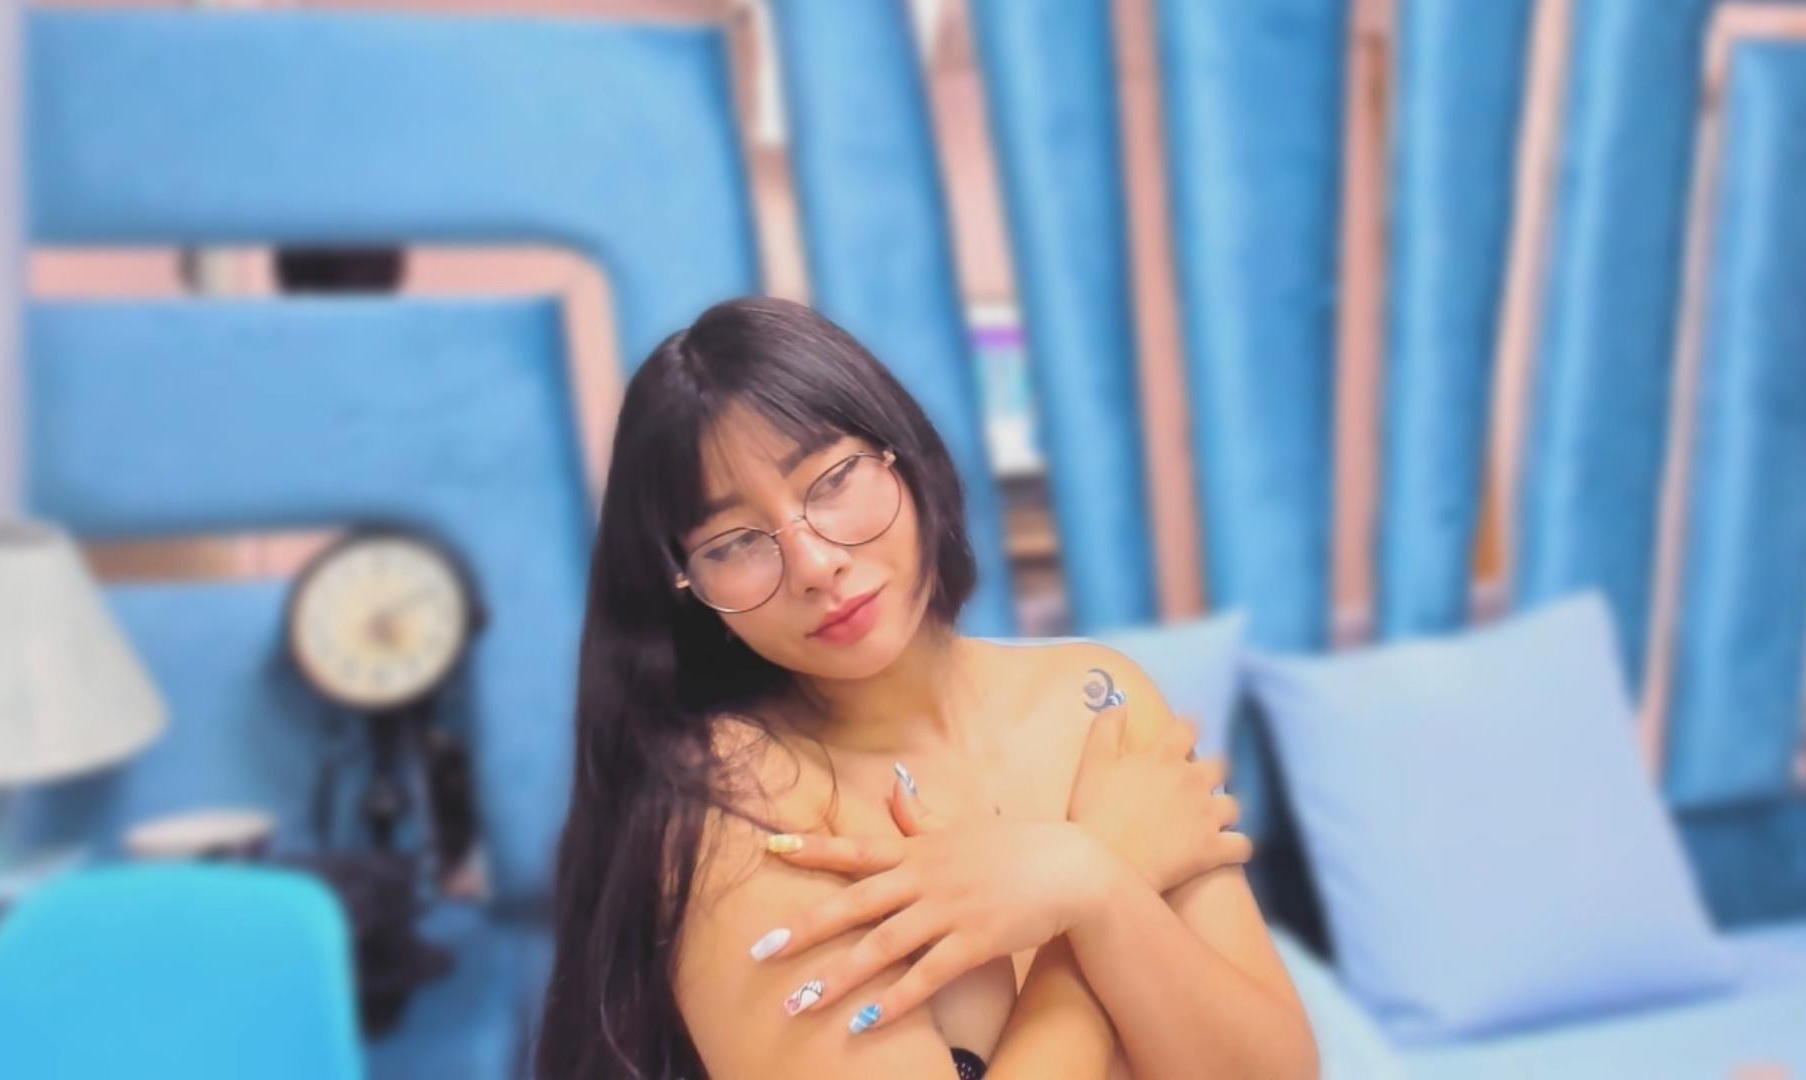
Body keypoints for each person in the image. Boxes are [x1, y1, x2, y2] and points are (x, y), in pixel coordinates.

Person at [534, 296, 1317, 1078]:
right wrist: (1094, 877)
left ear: (901, 455)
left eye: (832, 480)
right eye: (735, 542)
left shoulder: (1098, 701)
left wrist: (1087, 884)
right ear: (689, 590)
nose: (815, 565)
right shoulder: (740, 804)